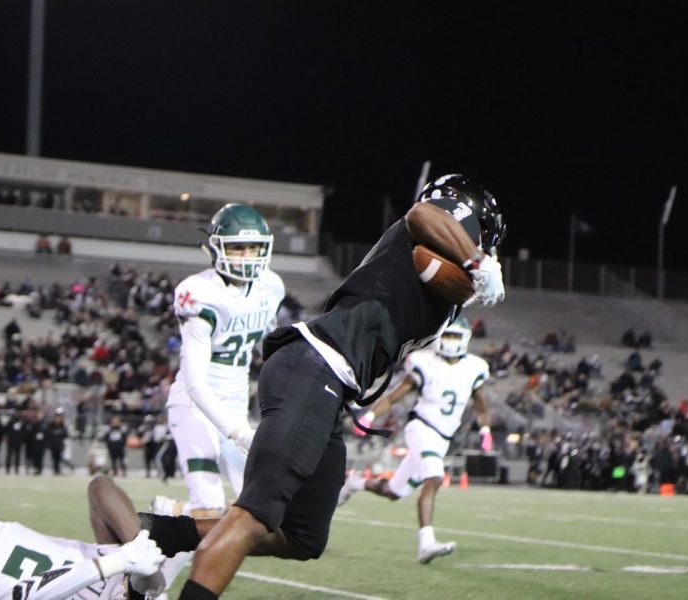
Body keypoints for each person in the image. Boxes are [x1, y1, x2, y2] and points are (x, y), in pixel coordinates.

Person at [176, 173, 506, 599]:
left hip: (328, 382)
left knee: (303, 536)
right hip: (316, 367)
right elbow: (423, 213)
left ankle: (161, 533)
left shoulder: (431, 269)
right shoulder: (441, 219)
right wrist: (479, 262)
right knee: (255, 513)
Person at [156, 203, 285, 518]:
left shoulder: (270, 287)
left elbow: (273, 343)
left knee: (260, 509)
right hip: (195, 405)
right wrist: (238, 432)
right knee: (209, 508)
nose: (246, 256)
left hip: (235, 401)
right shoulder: (199, 292)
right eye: (237, 247)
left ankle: (172, 513)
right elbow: (195, 382)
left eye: (253, 247)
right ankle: (174, 520)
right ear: (215, 248)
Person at [336, 316, 492, 564]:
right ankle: (426, 543)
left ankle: (356, 484)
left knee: (394, 492)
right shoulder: (424, 362)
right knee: (435, 477)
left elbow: (482, 407)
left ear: (466, 339)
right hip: (421, 427)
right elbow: (394, 395)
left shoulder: (475, 367)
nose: (450, 341)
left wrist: (485, 431)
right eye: (447, 335)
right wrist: (371, 416)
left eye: (455, 336)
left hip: (443, 437)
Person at [0, 475, 168, 599]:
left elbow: (24, 594)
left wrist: (119, 561)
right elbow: (101, 486)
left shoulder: (121, 563)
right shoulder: (132, 564)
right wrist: (140, 545)